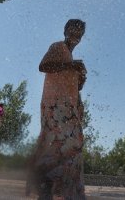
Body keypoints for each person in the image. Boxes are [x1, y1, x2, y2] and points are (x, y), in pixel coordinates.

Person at [29, 19, 87, 200]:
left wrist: (80, 80)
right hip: (54, 106)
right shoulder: (57, 46)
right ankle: (47, 192)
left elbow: (74, 87)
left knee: (70, 148)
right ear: (65, 30)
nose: (76, 33)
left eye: (80, 31)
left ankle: (60, 191)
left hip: (69, 109)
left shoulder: (71, 57)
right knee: (57, 147)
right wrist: (71, 66)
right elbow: (43, 66)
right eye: (73, 29)